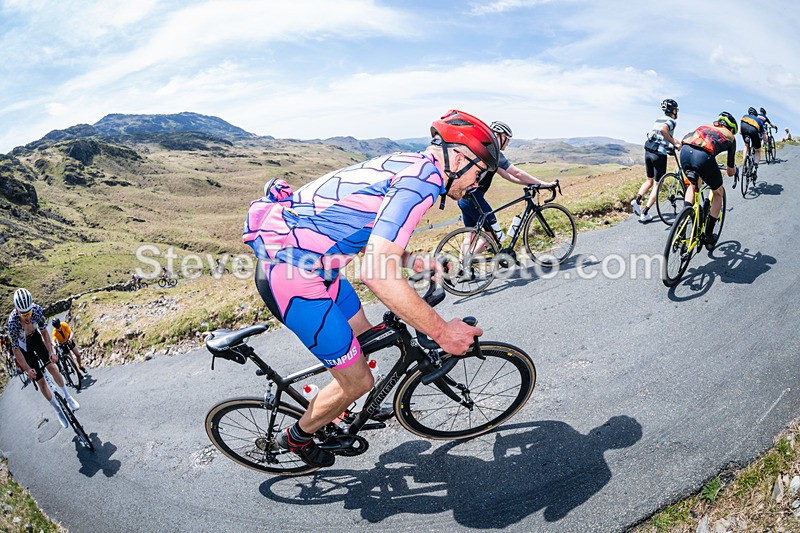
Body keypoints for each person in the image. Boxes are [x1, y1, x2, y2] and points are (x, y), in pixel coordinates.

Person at [242, 109, 493, 468]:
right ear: (459, 157)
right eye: (479, 173)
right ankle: (297, 437)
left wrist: (417, 263)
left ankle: (339, 403)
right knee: (359, 381)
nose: (478, 184)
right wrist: (441, 332)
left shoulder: (412, 165)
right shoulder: (420, 184)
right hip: (295, 282)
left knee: (371, 335)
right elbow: (376, 270)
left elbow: (361, 230)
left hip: (317, 269)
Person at [457, 120, 556, 240]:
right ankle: (474, 258)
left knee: (470, 237)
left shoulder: (484, 151)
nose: (508, 142)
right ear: (498, 135)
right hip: (475, 199)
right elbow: (516, 172)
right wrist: (542, 183)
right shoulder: (493, 152)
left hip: (464, 198)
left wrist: (531, 182)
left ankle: (464, 259)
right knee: (493, 238)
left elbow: (507, 175)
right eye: (507, 138)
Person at [6, 288, 79, 428]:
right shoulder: (12, 323)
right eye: (23, 314)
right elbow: (15, 349)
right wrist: (27, 369)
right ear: (16, 311)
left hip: (36, 338)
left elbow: (45, 332)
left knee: (51, 365)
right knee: (41, 382)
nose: (27, 317)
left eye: (29, 313)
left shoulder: (37, 310)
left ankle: (68, 396)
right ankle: (58, 410)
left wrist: (51, 352)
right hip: (23, 347)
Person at [679, 112, 737, 250]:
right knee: (718, 192)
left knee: (694, 184)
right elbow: (730, 172)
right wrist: (735, 170)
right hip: (703, 157)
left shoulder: (705, 126)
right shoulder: (731, 137)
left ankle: (683, 219)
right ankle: (709, 235)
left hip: (685, 151)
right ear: (732, 128)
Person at [631, 99, 682, 223]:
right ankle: (645, 212)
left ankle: (637, 200)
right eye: (676, 110)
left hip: (649, 150)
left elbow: (659, 134)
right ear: (673, 111)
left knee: (649, 180)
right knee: (657, 185)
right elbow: (664, 131)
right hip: (658, 154)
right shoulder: (671, 121)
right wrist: (673, 143)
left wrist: (673, 142)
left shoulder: (658, 119)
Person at [738, 107, 767, 184]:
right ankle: (755, 167)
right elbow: (764, 134)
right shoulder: (758, 120)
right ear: (755, 114)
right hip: (753, 131)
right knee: (757, 151)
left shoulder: (744, 116)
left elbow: (740, 132)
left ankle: (744, 162)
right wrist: (766, 140)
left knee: (746, 146)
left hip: (744, 128)